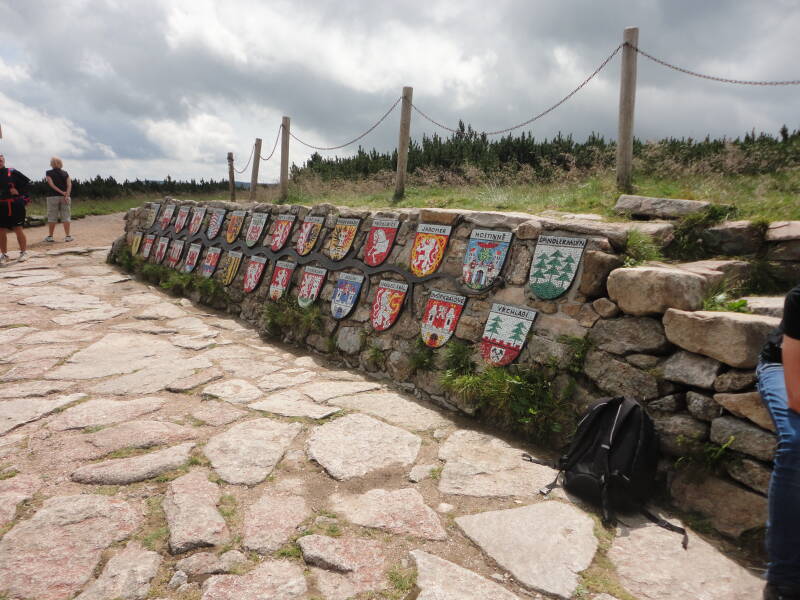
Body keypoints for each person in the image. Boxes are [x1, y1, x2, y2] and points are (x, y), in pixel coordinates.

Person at [758, 283, 800, 600]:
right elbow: (797, 397)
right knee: (797, 443)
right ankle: (784, 579)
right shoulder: (799, 299)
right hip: (783, 366)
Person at [0, 154, 30, 264]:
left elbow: (27, 184)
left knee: (18, 228)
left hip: (15, 205)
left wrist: (19, 191)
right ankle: (4, 255)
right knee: (1, 231)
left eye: (0, 160)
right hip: (1, 206)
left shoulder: (12, 172)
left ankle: (23, 253)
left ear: (4, 161)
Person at [45, 156, 73, 242]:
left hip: (52, 197)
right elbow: (69, 185)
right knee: (66, 216)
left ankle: (50, 236)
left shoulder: (48, 173)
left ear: (51, 164)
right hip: (65, 197)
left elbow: (51, 185)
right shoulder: (65, 173)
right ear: (61, 163)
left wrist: (62, 192)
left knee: (52, 217)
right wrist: (66, 194)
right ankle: (68, 236)